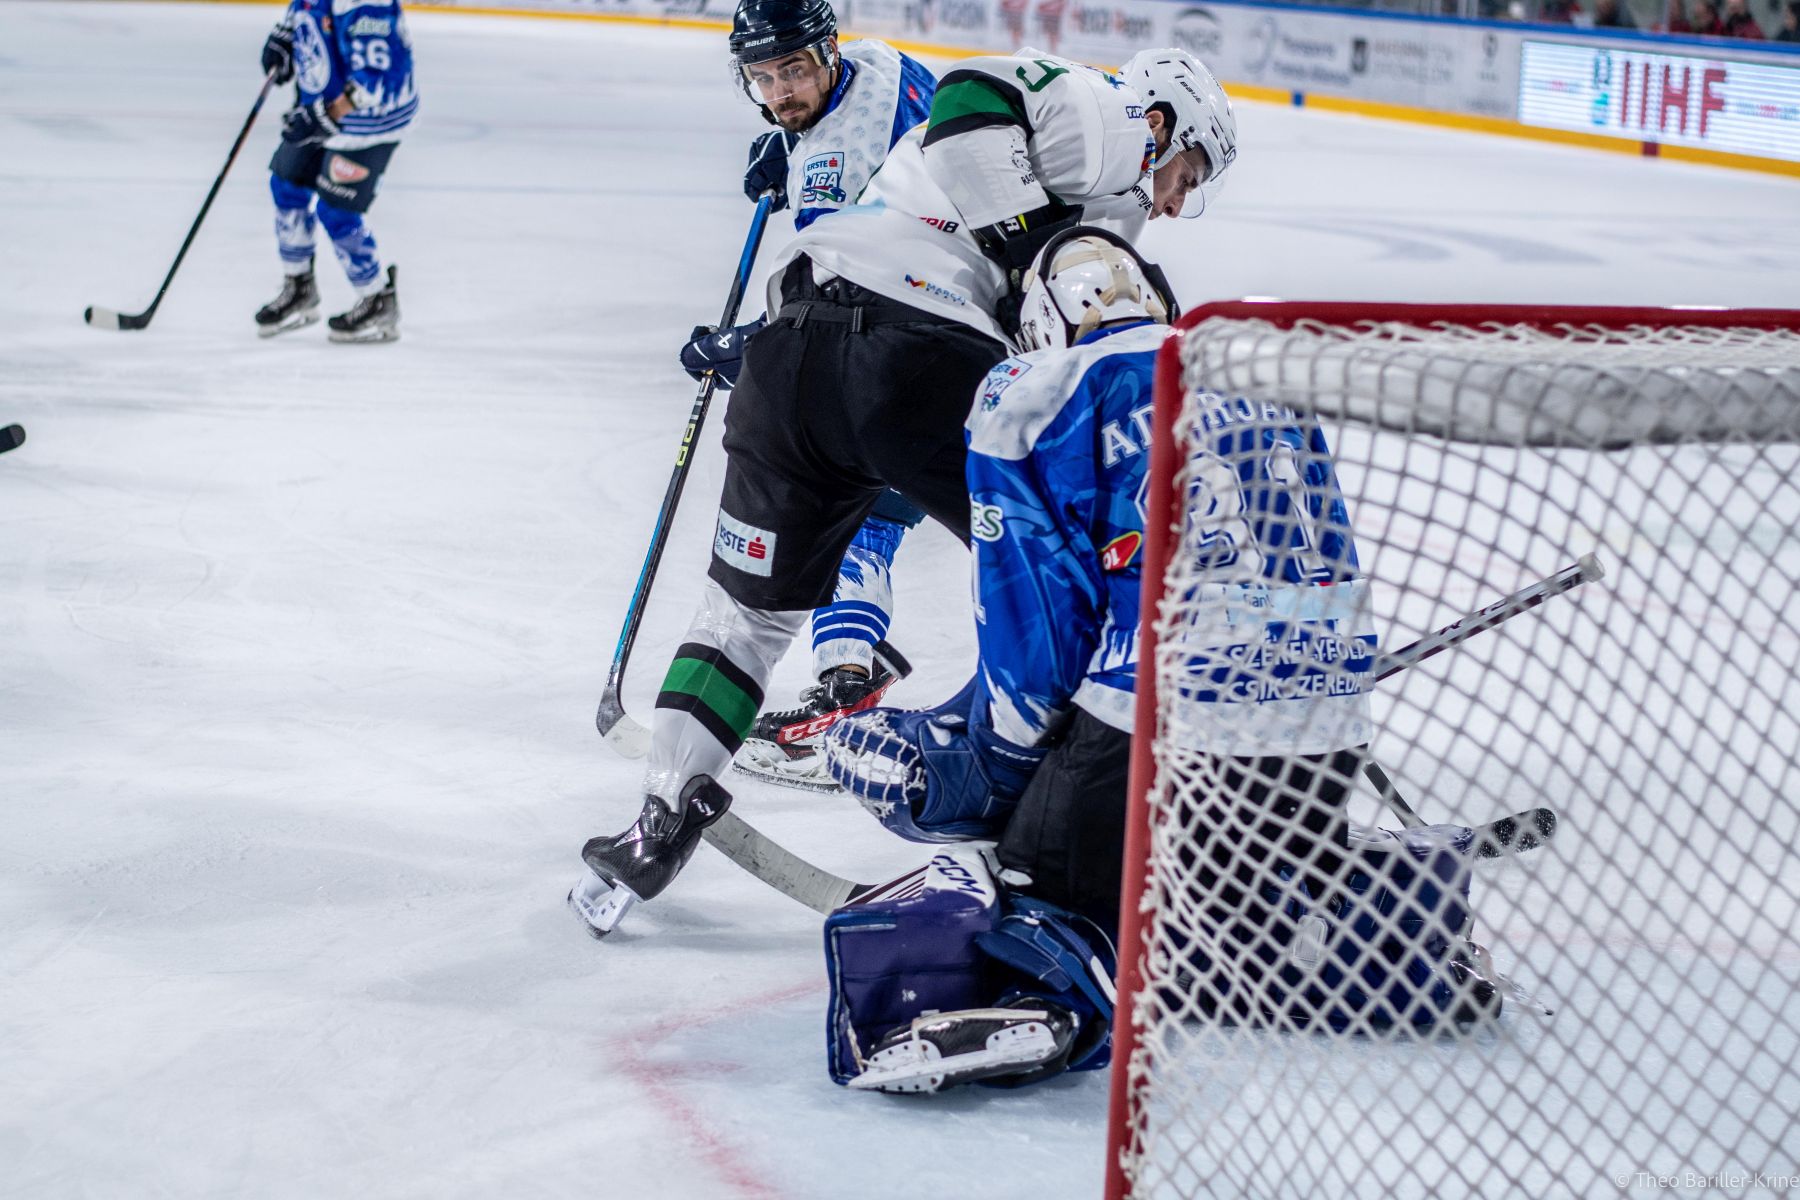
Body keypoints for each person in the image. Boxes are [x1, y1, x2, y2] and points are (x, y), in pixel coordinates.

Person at [567, 47, 1237, 940]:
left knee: (743, 616)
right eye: (1189, 174)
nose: (1177, 201)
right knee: (1078, 587)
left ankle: (659, 822)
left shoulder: (1086, 190)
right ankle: (1060, 839)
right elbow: (970, 94)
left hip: (789, 356)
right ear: (1164, 121)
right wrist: (1026, 241)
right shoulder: (1112, 117)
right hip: (916, 364)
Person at [819, 231, 1500, 1093]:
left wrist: (992, 768)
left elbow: (1039, 629)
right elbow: (1331, 566)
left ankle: (1048, 1000)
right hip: (1327, 729)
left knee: (1034, 881)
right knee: (1229, 913)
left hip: (1161, 720)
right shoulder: (1258, 371)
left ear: (1042, 321)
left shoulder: (1034, 389)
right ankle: (1395, 936)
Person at [676, 0, 938, 791]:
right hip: (949, 338)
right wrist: (792, 144)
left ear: (827, 52)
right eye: (762, 77)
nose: (780, 91)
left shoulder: (837, 164)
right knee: (865, 524)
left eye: (792, 70)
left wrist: (747, 349)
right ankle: (848, 683)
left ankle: (844, 702)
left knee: (831, 515)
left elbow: (828, 298)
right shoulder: (883, 62)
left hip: (912, 351)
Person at [254, 0, 418, 343]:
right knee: (286, 186)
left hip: (366, 124)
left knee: (336, 212)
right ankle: (299, 287)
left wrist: (327, 115)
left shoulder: (367, 4)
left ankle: (377, 299)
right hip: (319, 108)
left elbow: (377, 79)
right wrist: (286, 36)